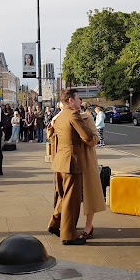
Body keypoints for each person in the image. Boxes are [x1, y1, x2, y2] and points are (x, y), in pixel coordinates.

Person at [47, 89, 95, 245]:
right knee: (71, 201)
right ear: (70, 101)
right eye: (78, 98)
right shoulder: (73, 115)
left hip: (60, 162)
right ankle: (69, 236)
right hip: (72, 163)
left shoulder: (59, 116)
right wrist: (94, 137)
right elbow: (87, 137)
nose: (80, 102)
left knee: (62, 197)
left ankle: (54, 225)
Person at [79, 107, 106, 239]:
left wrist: (82, 134)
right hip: (68, 163)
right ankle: (69, 224)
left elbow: (95, 139)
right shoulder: (61, 118)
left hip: (85, 161)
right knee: (70, 197)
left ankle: (88, 226)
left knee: (88, 195)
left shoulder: (86, 118)